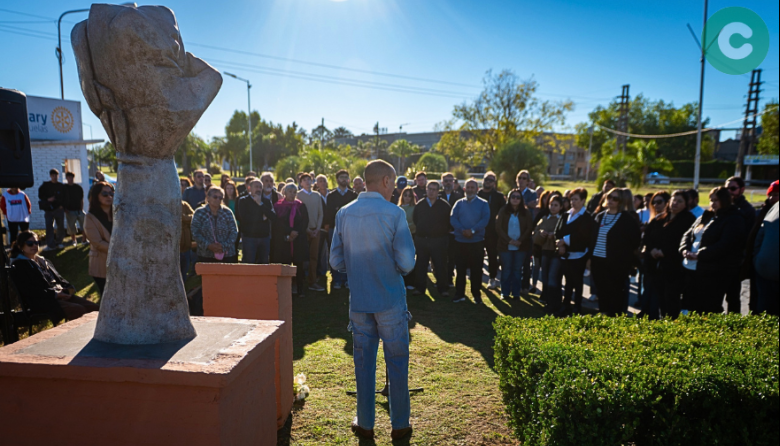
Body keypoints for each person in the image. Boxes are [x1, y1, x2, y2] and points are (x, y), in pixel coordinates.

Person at [329, 160, 415, 441]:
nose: (395, 189)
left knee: (363, 363)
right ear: (386, 181)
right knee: (397, 361)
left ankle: (365, 422)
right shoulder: (395, 213)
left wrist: (358, 267)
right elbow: (407, 262)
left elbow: (335, 260)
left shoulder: (344, 212)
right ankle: (400, 423)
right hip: (390, 298)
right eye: (394, 183)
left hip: (359, 299)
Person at [681, 187, 746, 314]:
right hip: (694, 268)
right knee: (691, 305)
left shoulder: (734, 218)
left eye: (716, 200)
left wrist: (699, 254)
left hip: (716, 271)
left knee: (709, 307)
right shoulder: (706, 215)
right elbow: (687, 234)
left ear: (725, 200)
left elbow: (726, 244)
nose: (713, 203)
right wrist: (684, 249)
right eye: (711, 200)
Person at [9, 231, 99, 321]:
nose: (34, 245)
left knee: (95, 308)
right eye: (30, 243)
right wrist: (56, 294)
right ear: (20, 246)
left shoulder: (42, 261)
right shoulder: (19, 265)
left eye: (37, 242)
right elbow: (32, 291)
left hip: (58, 295)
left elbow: (59, 279)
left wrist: (68, 289)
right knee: (78, 310)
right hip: (43, 302)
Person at [589, 188, 642, 316]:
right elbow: (592, 237)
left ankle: (615, 318)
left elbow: (635, 240)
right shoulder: (600, 216)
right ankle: (603, 315)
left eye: (615, 198)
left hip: (617, 264)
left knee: (615, 293)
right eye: (609, 197)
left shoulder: (626, 219)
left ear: (621, 201)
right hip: (598, 260)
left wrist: (624, 257)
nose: (611, 200)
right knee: (602, 291)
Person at [654, 191, 696, 319]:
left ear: (686, 204)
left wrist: (665, 252)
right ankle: (663, 321)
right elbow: (650, 236)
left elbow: (683, 241)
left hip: (676, 267)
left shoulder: (689, 220)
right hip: (658, 265)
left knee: (672, 298)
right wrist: (651, 249)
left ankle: (672, 323)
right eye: (674, 200)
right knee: (661, 298)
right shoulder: (661, 218)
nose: (675, 203)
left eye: (680, 201)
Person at [450, 179, 490, 304]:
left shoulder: (483, 204)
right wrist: (462, 230)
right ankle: (459, 294)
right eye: (468, 187)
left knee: (476, 270)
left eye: (473, 187)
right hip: (460, 241)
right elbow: (453, 218)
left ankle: (476, 295)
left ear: (477, 189)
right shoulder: (458, 203)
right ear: (464, 189)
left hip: (476, 242)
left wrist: (472, 230)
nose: (470, 190)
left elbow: (485, 219)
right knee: (460, 269)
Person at [555, 188, 593, 315]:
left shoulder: (586, 217)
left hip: (579, 255)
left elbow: (583, 235)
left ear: (583, 201)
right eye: (571, 199)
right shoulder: (566, 215)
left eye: (576, 199)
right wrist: (560, 244)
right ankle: (565, 305)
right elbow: (558, 231)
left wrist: (564, 241)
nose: (573, 202)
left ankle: (577, 306)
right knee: (568, 281)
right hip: (565, 254)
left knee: (577, 281)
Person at [412, 180, 451, 297]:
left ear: (438, 191)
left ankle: (443, 289)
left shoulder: (444, 205)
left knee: (440, 265)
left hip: (439, 240)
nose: (431, 192)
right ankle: (420, 288)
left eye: (434, 189)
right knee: (421, 265)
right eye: (429, 189)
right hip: (422, 240)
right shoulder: (420, 204)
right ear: (426, 189)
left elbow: (449, 221)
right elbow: (415, 219)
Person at [496, 189, 534, 300]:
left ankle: (516, 293)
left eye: (518, 197)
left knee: (517, 270)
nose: (515, 199)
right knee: (506, 269)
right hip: (505, 246)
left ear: (521, 199)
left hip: (520, 246)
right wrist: (509, 240)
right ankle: (505, 292)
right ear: (509, 198)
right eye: (513, 197)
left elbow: (529, 228)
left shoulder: (526, 212)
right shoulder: (503, 210)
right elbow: (498, 227)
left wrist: (520, 240)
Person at [724, 176, 754, 313]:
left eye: (733, 188)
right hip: (721, 257)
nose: (729, 192)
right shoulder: (724, 206)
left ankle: (733, 323)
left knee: (733, 296)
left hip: (735, 259)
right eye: (726, 189)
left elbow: (747, 237)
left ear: (742, 190)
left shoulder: (747, 210)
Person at [274, 183, 310, 297]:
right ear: (285, 192)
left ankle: (300, 289)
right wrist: (288, 232)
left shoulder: (300, 206)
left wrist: (295, 233)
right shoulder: (278, 206)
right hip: (284, 240)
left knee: (299, 264)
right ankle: (285, 290)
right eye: (290, 191)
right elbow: (278, 223)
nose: (292, 194)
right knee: (285, 264)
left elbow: (304, 221)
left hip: (298, 239)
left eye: (294, 192)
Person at [639, 191, 671, 320]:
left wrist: (661, 251)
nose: (656, 205)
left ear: (667, 203)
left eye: (659, 202)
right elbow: (646, 238)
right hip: (650, 262)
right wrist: (651, 249)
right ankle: (647, 314)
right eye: (654, 202)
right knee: (647, 291)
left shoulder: (671, 220)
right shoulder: (655, 219)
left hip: (664, 263)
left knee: (659, 295)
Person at [326, 170, 358, 290]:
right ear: (337, 179)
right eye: (341, 177)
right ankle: (337, 280)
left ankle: (348, 279)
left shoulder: (353, 195)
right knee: (336, 254)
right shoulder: (331, 196)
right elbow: (329, 213)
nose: (344, 179)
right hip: (335, 229)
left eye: (346, 177)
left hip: (350, 229)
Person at [191, 187, 239, 264]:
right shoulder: (199, 212)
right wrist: (208, 245)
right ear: (208, 198)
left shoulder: (227, 212)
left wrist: (223, 246)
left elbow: (234, 231)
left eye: (220, 198)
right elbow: (195, 232)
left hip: (227, 254)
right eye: (215, 197)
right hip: (206, 255)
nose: (218, 199)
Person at [84, 181, 115, 296]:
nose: (109, 197)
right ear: (96, 195)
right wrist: (120, 250)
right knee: (107, 297)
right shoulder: (90, 217)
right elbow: (97, 243)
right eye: (105, 194)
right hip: (101, 265)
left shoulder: (118, 215)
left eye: (112, 193)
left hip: (119, 263)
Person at [534, 195, 564, 309]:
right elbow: (535, 234)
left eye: (556, 205)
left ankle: (554, 299)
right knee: (545, 275)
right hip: (545, 250)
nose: (553, 207)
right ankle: (545, 295)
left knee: (553, 275)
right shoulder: (544, 218)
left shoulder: (562, 219)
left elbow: (563, 235)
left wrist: (554, 236)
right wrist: (541, 233)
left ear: (561, 207)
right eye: (551, 205)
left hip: (556, 252)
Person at [478, 171, 507, 291]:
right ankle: (477, 278)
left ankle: (492, 278)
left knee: (492, 256)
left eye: (491, 180)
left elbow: (504, 213)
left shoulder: (499, 196)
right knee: (477, 256)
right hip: (479, 230)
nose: (488, 182)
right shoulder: (478, 194)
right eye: (486, 179)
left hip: (493, 232)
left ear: (494, 183)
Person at [297, 174, 326, 292]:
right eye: (304, 180)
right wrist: (307, 229)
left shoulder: (316, 195)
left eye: (309, 179)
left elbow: (320, 214)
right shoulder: (298, 195)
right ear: (301, 183)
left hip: (315, 230)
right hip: (303, 231)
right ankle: (299, 281)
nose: (307, 182)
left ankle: (312, 281)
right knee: (301, 257)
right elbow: (298, 215)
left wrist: (317, 229)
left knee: (314, 257)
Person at [237, 179, 276, 264]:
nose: (258, 189)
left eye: (260, 187)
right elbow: (245, 218)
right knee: (249, 263)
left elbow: (273, 217)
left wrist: (260, 203)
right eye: (256, 187)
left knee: (264, 263)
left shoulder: (266, 201)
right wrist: (262, 218)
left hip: (264, 237)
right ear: (249, 188)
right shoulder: (243, 200)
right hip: (249, 237)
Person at [439, 172, 465, 288]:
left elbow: (461, 214)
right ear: (442, 182)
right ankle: (441, 279)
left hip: (454, 232)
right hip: (440, 232)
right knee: (440, 257)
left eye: (450, 181)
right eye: (446, 181)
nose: (448, 183)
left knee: (452, 257)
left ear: (454, 182)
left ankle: (449, 280)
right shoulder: (438, 196)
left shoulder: (459, 197)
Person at [753, 202, 778, 315]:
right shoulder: (775, 207)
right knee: (764, 313)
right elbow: (760, 235)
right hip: (764, 272)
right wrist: (758, 259)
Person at [516, 170, 538, 293]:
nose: (521, 180)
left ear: (528, 181)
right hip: (514, 229)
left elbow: (532, 207)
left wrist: (522, 204)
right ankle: (515, 284)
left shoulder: (532, 193)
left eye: (524, 178)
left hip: (527, 230)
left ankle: (525, 286)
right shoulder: (514, 192)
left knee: (526, 261)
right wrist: (526, 204)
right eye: (520, 177)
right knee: (515, 261)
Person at [38, 168, 66, 251]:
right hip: (49, 209)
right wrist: (47, 199)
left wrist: (62, 206)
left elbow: (66, 197)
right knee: (49, 226)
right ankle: (50, 244)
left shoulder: (61, 186)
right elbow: (40, 195)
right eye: (53, 175)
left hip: (59, 209)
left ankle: (59, 242)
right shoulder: (45, 185)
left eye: (56, 175)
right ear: (50, 176)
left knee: (60, 226)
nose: (54, 177)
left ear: (58, 176)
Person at [398, 185, 417, 290]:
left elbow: (414, 223)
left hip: (411, 236)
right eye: (405, 195)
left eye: (409, 196)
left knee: (410, 259)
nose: (407, 197)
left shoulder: (414, 208)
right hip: (399, 237)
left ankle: (411, 282)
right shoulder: (398, 207)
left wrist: (404, 227)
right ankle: (402, 281)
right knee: (400, 259)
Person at [62, 172, 86, 246]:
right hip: (69, 210)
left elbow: (81, 199)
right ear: (66, 178)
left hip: (79, 210)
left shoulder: (78, 188)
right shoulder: (64, 188)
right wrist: (64, 209)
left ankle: (84, 240)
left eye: (71, 177)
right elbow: (62, 199)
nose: (70, 179)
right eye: (69, 177)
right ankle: (74, 240)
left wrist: (81, 208)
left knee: (84, 225)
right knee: (71, 226)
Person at [315, 174, 331, 278]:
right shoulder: (316, 195)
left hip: (331, 226)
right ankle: (318, 272)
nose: (322, 183)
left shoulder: (332, 194)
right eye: (320, 181)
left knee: (332, 250)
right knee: (319, 250)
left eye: (324, 180)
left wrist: (329, 223)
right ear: (317, 184)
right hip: (320, 227)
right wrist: (323, 224)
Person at [180, 200, 195, 280]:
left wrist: (184, 217)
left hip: (186, 246)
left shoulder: (184, 204)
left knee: (185, 271)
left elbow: (193, 216)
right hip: (175, 249)